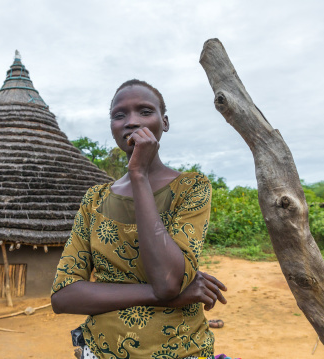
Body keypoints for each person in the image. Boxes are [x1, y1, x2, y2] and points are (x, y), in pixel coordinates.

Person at [51, 79, 228, 359]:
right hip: (100, 351)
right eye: (119, 115)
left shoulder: (191, 187)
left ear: (165, 122)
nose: (131, 122)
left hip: (183, 350)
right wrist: (168, 295)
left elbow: (168, 280)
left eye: (145, 111)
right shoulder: (94, 199)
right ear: (112, 127)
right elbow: (63, 295)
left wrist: (138, 175)